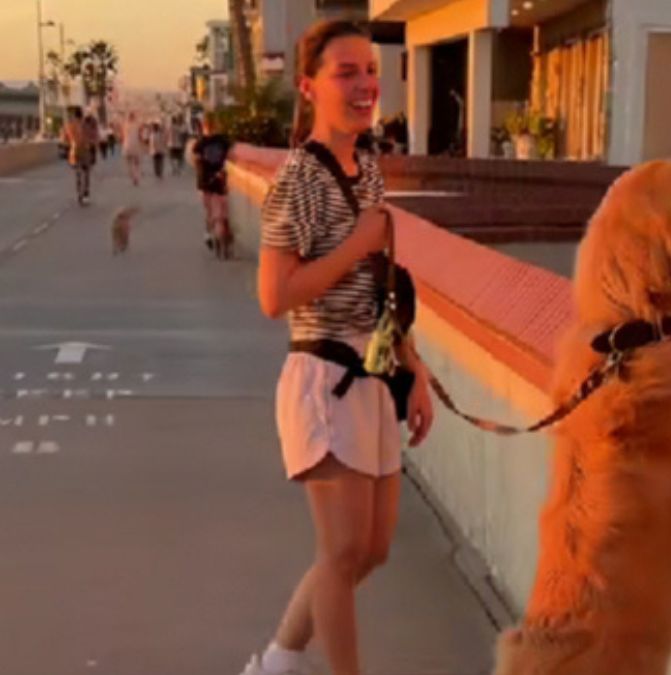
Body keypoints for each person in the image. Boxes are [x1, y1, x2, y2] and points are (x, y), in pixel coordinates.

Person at [242, 20, 435, 675]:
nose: (364, 84)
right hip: (324, 375)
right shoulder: (298, 178)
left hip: (374, 372)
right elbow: (275, 296)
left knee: (371, 550)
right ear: (309, 87)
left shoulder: (367, 169)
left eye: (369, 70)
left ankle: (277, 659)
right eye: (344, 72)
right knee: (343, 548)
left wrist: (415, 367)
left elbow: (381, 283)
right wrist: (357, 242)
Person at [190, 113, 233, 251]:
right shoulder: (222, 141)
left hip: (208, 181)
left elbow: (196, 161)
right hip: (216, 181)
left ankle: (211, 235)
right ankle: (215, 235)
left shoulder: (202, 143)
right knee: (220, 211)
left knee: (214, 212)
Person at [61, 108, 96, 205]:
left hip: (74, 151)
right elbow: (92, 137)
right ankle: (86, 193)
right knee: (86, 172)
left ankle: (79, 193)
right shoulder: (86, 125)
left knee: (78, 173)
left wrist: (69, 144)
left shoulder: (70, 125)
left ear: (74, 115)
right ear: (82, 115)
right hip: (85, 150)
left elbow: (64, 139)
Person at [121, 112, 143, 187]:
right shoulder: (137, 125)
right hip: (135, 144)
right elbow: (140, 136)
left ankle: (132, 176)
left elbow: (123, 136)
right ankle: (136, 176)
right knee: (137, 163)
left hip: (127, 144)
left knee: (129, 163)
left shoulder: (125, 125)